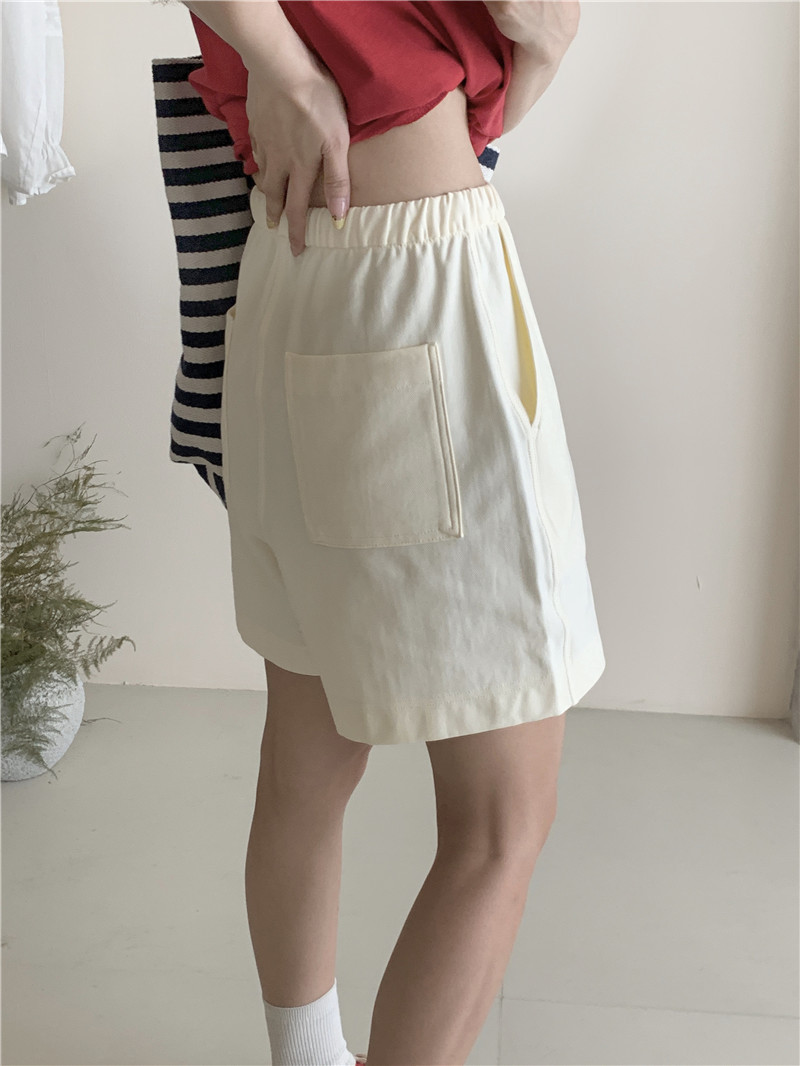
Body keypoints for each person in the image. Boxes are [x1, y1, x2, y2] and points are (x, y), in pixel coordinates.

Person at [179, 3, 601, 1065]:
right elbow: (527, 30)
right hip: (416, 282)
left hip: (285, 268)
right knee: (500, 824)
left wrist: (279, 65)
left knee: (306, 764)